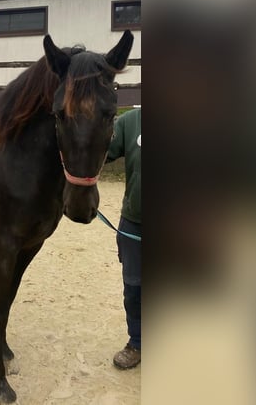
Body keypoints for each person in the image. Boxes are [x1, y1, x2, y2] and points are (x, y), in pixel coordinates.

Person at [106, 106, 141, 369]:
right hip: (135, 222)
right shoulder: (131, 122)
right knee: (134, 288)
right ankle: (138, 342)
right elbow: (98, 151)